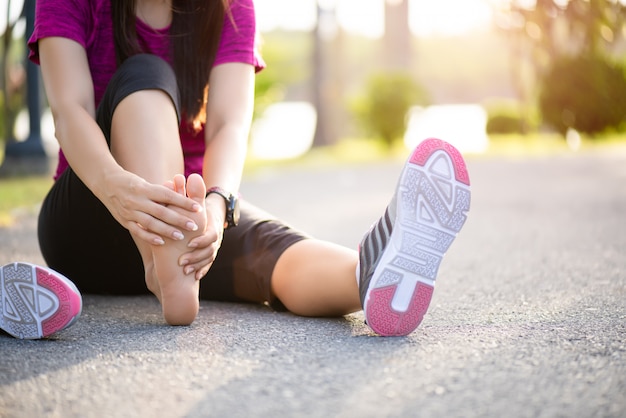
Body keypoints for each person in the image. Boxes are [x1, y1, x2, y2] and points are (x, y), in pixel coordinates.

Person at [0, 0, 471, 340]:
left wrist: (215, 207)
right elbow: (70, 111)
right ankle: (159, 267)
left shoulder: (230, 9)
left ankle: (372, 276)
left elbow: (229, 125)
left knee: (270, 246)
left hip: (191, 226)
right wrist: (117, 187)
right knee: (145, 72)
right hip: (94, 207)